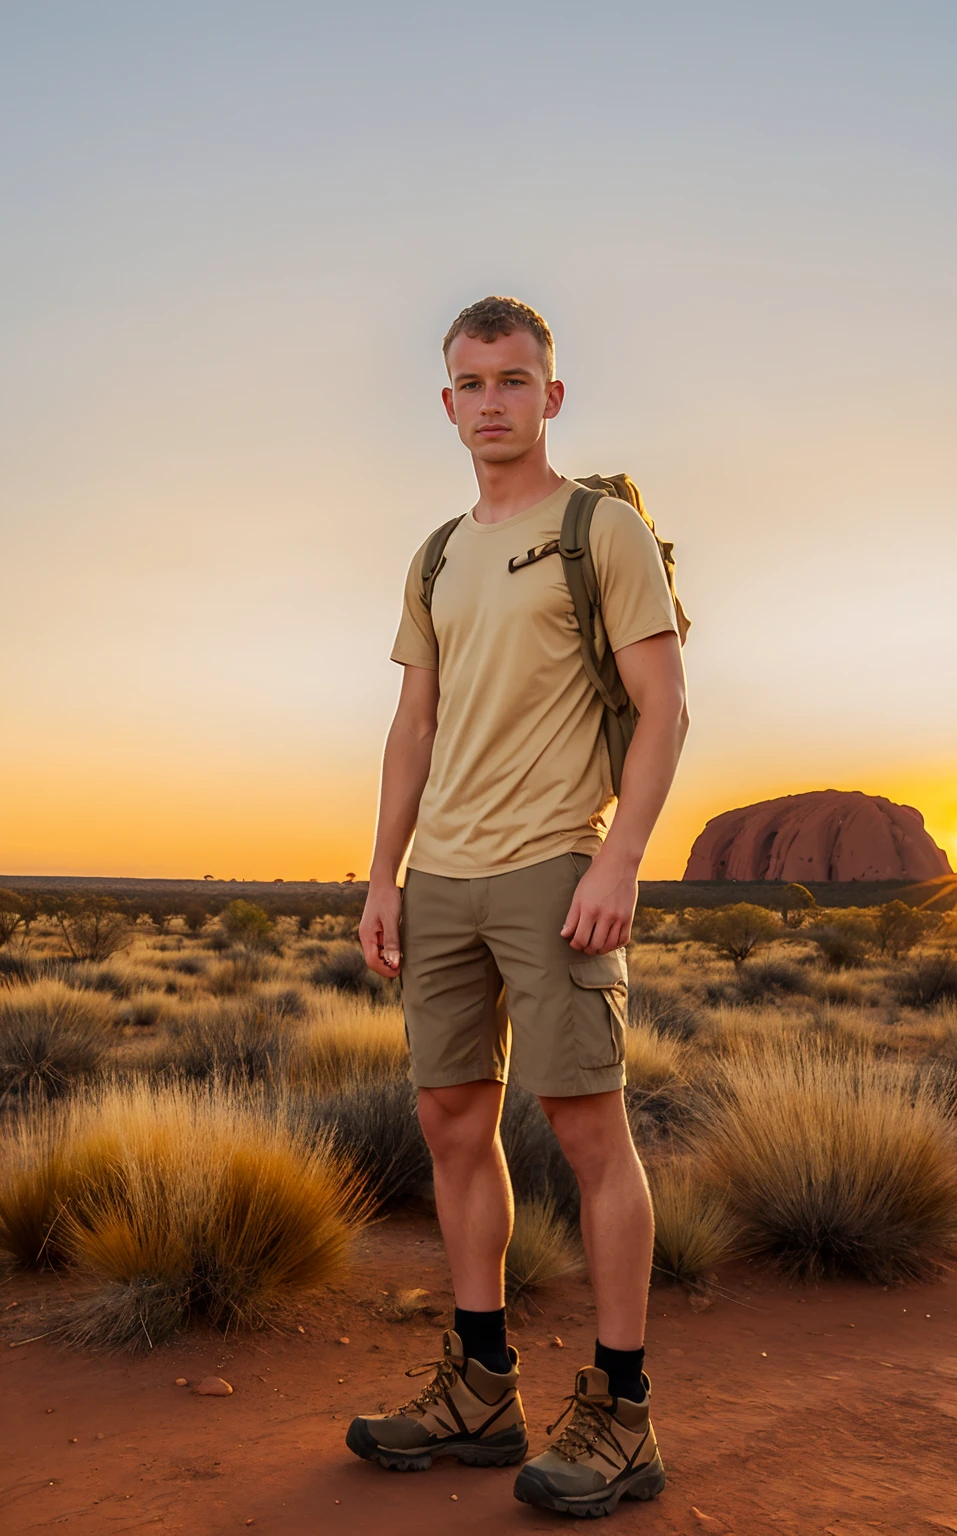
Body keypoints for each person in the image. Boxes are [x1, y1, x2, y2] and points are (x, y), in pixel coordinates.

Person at [347, 295, 689, 1517]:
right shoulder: (435, 553)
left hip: (555, 865)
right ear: (447, 405)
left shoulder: (600, 531)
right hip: (440, 877)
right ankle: (482, 1388)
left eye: (514, 379)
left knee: (589, 1134)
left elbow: (664, 707)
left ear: (552, 393)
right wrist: (383, 876)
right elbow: (413, 726)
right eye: (472, 383)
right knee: (449, 1121)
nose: (493, 401)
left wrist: (622, 859)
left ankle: (622, 1412)